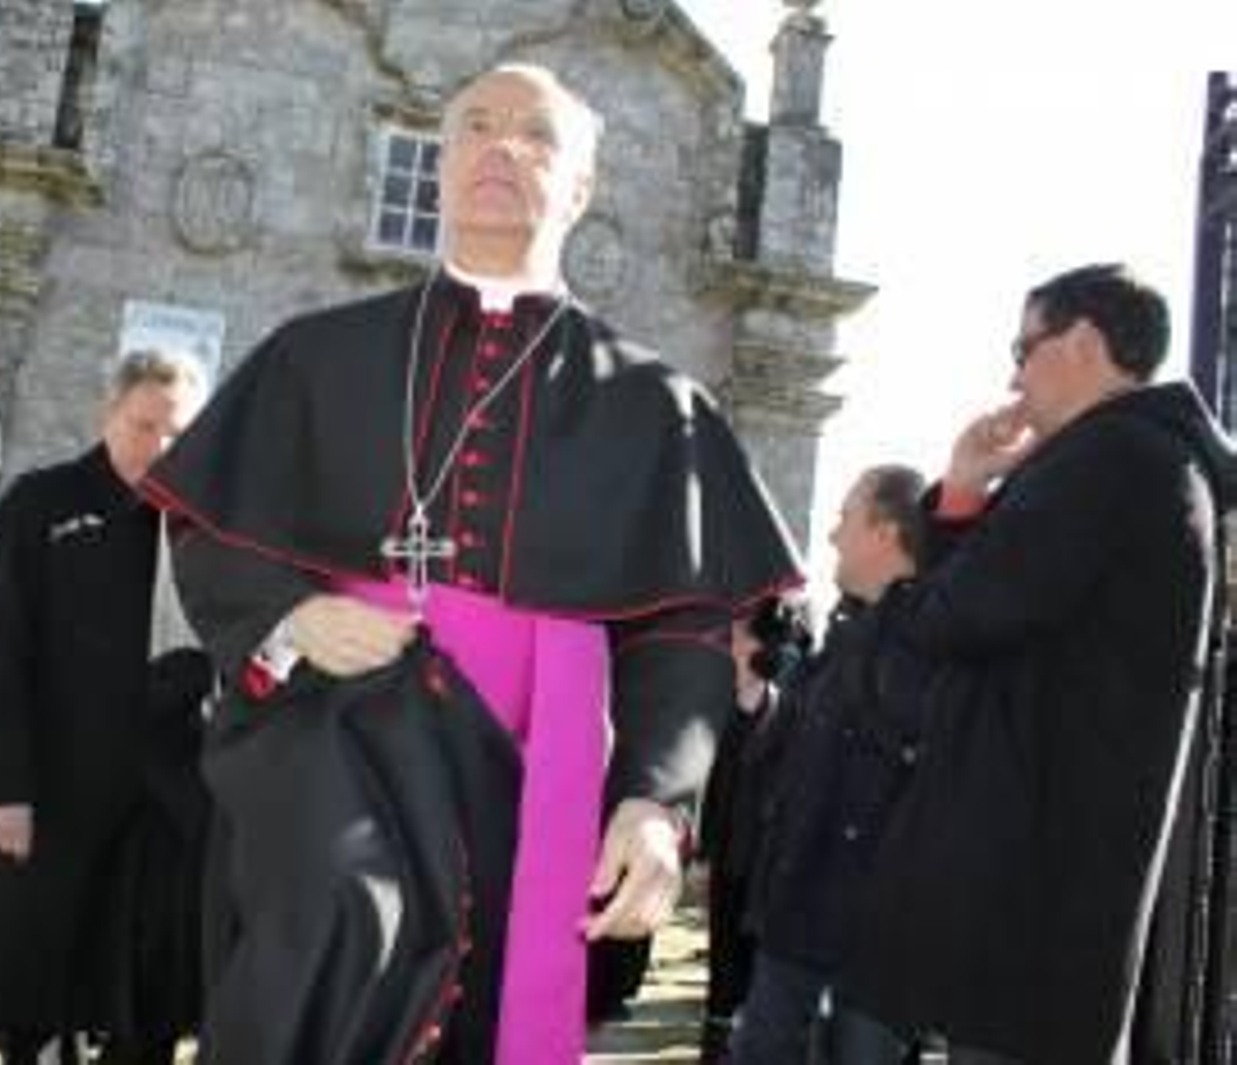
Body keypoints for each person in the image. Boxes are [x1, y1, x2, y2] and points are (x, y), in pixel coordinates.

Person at [140, 63, 800, 1064]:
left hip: (537, 747)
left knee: (482, 999)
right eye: (475, 127)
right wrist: (294, 617)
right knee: (330, 933)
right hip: (333, 720)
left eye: (535, 134)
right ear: (441, 164)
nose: (499, 147)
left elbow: (684, 632)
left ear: (580, 187)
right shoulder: (316, 356)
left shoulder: (655, 405)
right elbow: (212, 533)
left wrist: (655, 803)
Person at [843, 263, 1237, 1063]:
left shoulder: (1110, 460)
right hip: (1040, 891)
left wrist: (905, 573)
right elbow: (991, 605)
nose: (1013, 376)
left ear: (1085, 341)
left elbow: (956, 617)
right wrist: (959, 497)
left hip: (1027, 900)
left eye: (1024, 348)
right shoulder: (1137, 460)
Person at [0, 350, 213, 1065]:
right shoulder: (42, 502)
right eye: (144, 424)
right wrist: (2, 787)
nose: (159, 444)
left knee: (148, 1000)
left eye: (176, 430)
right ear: (109, 413)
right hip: (53, 797)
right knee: (37, 999)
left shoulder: (206, 525)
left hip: (165, 805)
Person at [728, 465, 928, 1065]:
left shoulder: (931, 645)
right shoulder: (847, 632)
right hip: (790, 926)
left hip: (873, 952)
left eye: (846, 518)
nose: (835, 535)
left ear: (886, 531)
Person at [696, 594, 812, 1063]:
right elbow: (711, 787)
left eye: (738, 633)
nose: (727, 640)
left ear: (753, 645)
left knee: (754, 970)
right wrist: (702, 853)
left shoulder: (788, 711)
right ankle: (716, 1049)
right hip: (727, 857)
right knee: (722, 972)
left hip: (767, 864)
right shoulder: (711, 705)